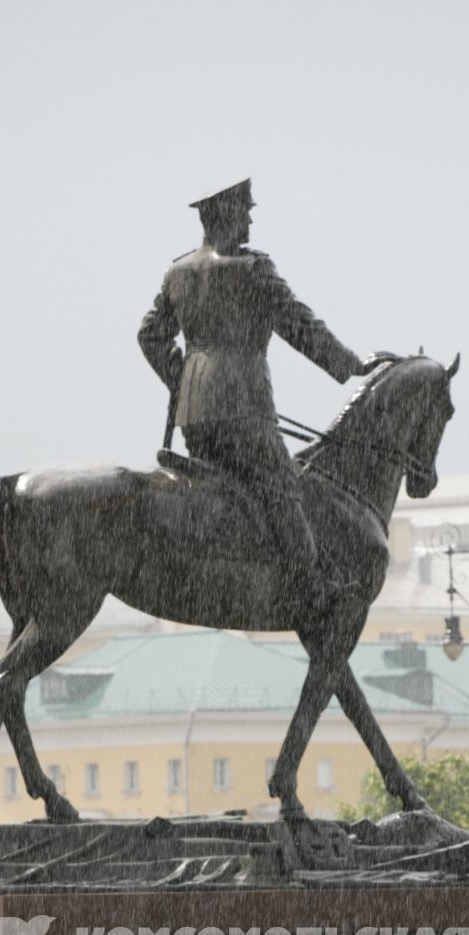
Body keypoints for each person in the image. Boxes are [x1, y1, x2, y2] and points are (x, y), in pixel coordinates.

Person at [137, 178, 384, 616]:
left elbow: (150, 335)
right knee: (280, 485)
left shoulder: (178, 273)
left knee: (226, 485)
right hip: (243, 406)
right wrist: (350, 365)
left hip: (194, 414)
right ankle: (310, 587)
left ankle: (235, 569)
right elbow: (299, 325)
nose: (251, 218)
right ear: (228, 213)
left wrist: (184, 379)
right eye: (246, 210)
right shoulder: (252, 270)